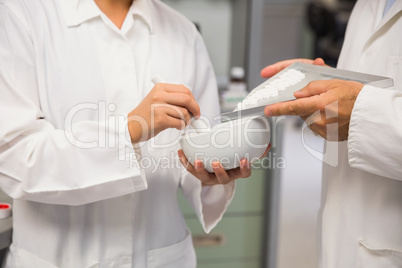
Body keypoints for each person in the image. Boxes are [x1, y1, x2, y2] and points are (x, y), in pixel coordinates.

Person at [0, 0, 254, 267]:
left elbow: (199, 142)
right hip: (57, 257)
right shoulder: (23, 12)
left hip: (161, 253)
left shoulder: (183, 32)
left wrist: (212, 171)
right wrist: (130, 128)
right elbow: (15, 157)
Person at [261, 0, 402, 267]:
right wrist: (330, 85)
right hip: (345, 235)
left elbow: (367, 104)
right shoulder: (366, 6)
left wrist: (362, 112)